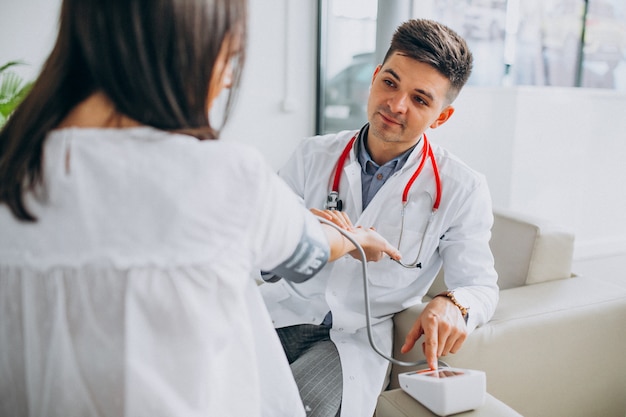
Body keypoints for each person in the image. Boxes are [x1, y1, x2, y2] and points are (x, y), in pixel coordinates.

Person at [0, 1, 402, 416]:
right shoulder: (221, 173)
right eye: (227, 55)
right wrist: (355, 237)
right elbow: (309, 251)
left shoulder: (14, 169)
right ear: (176, 48)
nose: (228, 78)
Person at [259, 19, 499, 417]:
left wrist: (453, 302)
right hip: (279, 313)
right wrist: (313, 238)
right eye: (390, 83)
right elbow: (260, 251)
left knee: (297, 408)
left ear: (441, 117)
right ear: (374, 78)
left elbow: (480, 286)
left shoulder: (462, 188)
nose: (396, 104)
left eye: (421, 99)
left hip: (350, 339)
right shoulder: (312, 155)